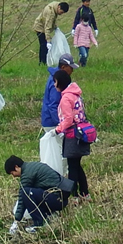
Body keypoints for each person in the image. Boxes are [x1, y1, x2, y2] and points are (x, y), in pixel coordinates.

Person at [5, 155, 71, 232]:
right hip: (59, 198)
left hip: (56, 198)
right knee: (34, 193)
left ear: (16, 167)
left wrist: (16, 220)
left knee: (27, 193)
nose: (13, 176)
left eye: (12, 173)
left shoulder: (27, 174)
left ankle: (39, 224)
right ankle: (48, 216)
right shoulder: (31, 167)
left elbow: (22, 198)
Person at [53, 69, 91, 198]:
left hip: (72, 136)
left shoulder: (65, 99)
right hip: (81, 133)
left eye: (55, 82)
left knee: (72, 168)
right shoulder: (75, 95)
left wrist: (57, 130)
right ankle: (85, 193)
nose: (54, 84)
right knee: (77, 165)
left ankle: (74, 196)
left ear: (60, 82)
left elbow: (68, 119)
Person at [32, 0, 69, 65]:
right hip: (40, 28)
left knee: (44, 45)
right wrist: (48, 40)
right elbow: (47, 27)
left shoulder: (55, 5)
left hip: (43, 26)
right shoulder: (51, 13)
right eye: (61, 12)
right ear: (59, 7)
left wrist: (55, 27)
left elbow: (52, 21)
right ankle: (42, 62)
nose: (61, 14)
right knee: (43, 45)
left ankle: (44, 62)